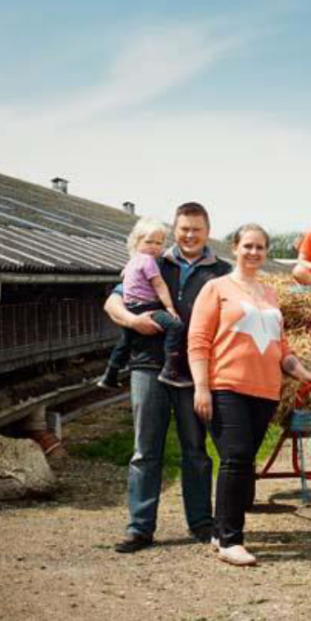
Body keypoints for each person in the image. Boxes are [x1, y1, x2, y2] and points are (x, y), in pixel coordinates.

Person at [189, 224, 311, 566]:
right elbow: (199, 341)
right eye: (247, 245)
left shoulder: (270, 293)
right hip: (226, 386)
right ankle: (233, 540)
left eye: (260, 247)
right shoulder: (215, 288)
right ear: (234, 248)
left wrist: (302, 370)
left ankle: (220, 533)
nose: (254, 252)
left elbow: (280, 346)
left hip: (265, 390)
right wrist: (202, 387)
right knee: (236, 457)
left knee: (244, 462)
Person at [104, 202, 232, 553]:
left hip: (194, 371)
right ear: (175, 230)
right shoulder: (152, 259)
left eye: (197, 229)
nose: (190, 235)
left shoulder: (221, 271)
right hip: (148, 364)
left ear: (208, 232)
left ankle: (202, 524)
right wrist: (133, 322)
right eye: (184, 229)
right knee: (146, 449)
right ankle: (140, 528)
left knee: (196, 449)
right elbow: (113, 302)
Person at [98, 217, 188, 390]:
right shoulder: (149, 261)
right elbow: (159, 285)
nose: (154, 246)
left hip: (131, 306)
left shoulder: (131, 262)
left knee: (125, 342)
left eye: (159, 243)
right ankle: (170, 368)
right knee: (175, 326)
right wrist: (169, 308)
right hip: (146, 308)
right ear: (136, 242)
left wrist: (131, 319)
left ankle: (109, 375)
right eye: (149, 242)